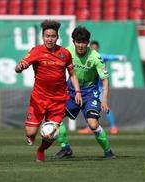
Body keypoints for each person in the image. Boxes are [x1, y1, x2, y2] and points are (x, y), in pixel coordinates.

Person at [15, 20, 82, 162]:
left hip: (58, 100)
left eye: (52, 36)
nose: (49, 39)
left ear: (57, 37)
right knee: (30, 132)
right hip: (38, 98)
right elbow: (21, 66)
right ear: (42, 36)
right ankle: (31, 137)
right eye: (47, 36)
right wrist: (19, 68)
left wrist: (77, 92)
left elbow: (73, 74)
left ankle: (41, 150)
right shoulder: (36, 51)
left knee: (51, 134)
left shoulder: (65, 53)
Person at [55, 26, 116, 159]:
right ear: (73, 41)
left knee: (93, 124)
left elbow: (105, 80)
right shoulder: (66, 52)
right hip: (70, 92)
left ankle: (108, 152)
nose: (81, 45)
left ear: (87, 42)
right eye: (78, 41)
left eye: (84, 42)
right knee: (55, 118)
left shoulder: (95, 57)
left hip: (89, 93)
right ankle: (65, 148)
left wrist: (104, 100)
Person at [77, 40, 120, 135]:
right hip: (91, 86)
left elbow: (110, 57)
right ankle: (88, 127)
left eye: (96, 48)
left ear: (98, 49)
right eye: (93, 48)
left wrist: (120, 57)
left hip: (100, 86)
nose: (94, 50)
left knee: (105, 106)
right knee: (87, 106)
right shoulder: (87, 57)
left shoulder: (100, 57)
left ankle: (113, 127)